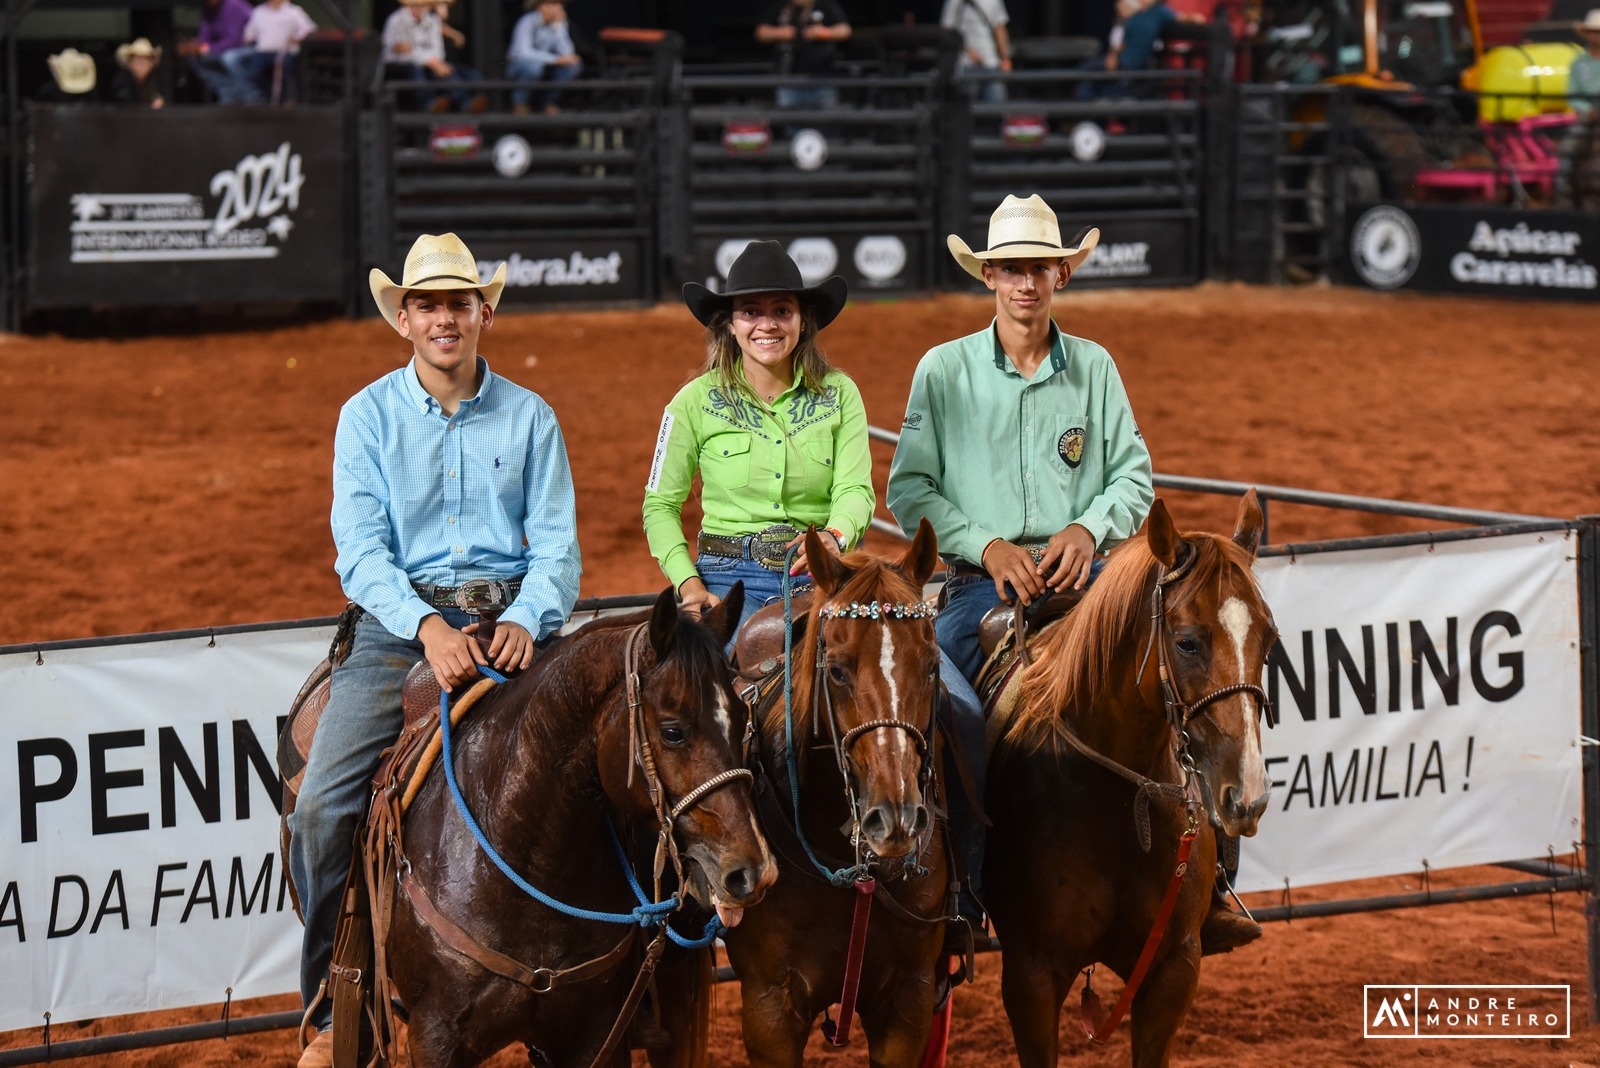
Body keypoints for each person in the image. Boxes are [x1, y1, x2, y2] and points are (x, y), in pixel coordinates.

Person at [288, 232, 581, 1068]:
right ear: (404, 320)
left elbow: (557, 544)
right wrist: (426, 628)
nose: (445, 318)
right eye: (429, 306)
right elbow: (360, 548)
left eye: (459, 303)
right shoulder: (367, 416)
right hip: (397, 632)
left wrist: (527, 616)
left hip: (516, 629)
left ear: (483, 312)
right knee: (323, 808)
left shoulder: (531, 417)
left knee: (605, 775)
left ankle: (619, 974)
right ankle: (330, 1006)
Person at [887, 193, 1154, 942]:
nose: (1024, 284)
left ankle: (1208, 878)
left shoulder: (1095, 368)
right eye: (1010, 270)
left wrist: (1087, 525)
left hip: (1086, 580)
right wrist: (986, 545)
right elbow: (909, 490)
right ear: (989, 279)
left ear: (1061, 274)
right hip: (979, 586)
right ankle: (964, 892)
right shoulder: (943, 371)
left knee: (1172, 674)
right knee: (951, 717)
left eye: (1037, 268)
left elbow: (1134, 478)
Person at [642, 240, 872, 636]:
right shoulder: (691, 402)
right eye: (751, 312)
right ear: (730, 324)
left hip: (820, 574)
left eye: (782, 310)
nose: (767, 325)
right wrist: (689, 584)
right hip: (726, 580)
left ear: (803, 320)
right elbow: (659, 505)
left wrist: (835, 538)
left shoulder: (840, 394)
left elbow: (855, 489)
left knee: (926, 685)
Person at [1075, 0, 1201, 100]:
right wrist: (1113, 55)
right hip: (1121, 58)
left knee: (1091, 72)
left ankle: (1089, 107)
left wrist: (1195, 18)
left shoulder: (1159, 12)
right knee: (1086, 69)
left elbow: (1182, 17)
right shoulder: (1136, 14)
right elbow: (1124, 41)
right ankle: (1085, 106)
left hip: (1133, 63)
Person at [382, 0, 486, 113]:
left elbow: (437, 51)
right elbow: (399, 52)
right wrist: (429, 60)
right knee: (416, 70)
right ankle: (428, 104)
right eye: (415, 5)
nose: (418, 8)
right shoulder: (396, 20)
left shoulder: (432, 21)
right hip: (399, 67)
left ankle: (465, 103)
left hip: (430, 65)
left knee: (450, 71)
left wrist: (428, 59)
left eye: (422, 5)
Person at [756, 0, 852, 109]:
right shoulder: (782, 6)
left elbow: (845, 31)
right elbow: (761, 32)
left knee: (825, 121)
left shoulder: (826, 5)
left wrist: (823, 33)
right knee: (791, 121)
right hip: (788, 79)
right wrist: (780, 33)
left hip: (822, 78)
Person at [226, 0, 318, 103]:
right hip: (263, 51)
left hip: (284, 51)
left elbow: (309, 28)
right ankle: (267, 96)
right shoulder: (259, 12)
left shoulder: (293, 11)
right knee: (252, 74)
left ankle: (288, 99)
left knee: (286, 70)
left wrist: (297, 37)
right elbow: (249, 34)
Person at [506, 0, 582, 114]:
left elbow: (567, 53)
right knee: (533, 67)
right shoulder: (527, 21)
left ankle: (548, 102)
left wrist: (560, 28)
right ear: (542, 6)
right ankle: (520, 103)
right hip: (519, 66)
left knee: (573, 66)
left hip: (545, 68)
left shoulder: (558, 24)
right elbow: (523, 53)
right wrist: (555, 60)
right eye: (554, 4)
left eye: (560, 5)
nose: (559, 8)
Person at [180, 0, 256, 103]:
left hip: (254, 46)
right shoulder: (209, 9)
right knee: (195, 58)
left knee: (229, 58)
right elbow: (204, 37)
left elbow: (235, 40)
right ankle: (228, 92)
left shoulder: (233, 5)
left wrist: (208, 48)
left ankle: (252, 95)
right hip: (229, 48)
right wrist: (194, 47)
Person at [940, 0, 1011, 103]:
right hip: (965, 65)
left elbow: (999, 28)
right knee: (967, 110)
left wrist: (1005, 58)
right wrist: (968, 51)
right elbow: (948, 31)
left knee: (996, 109)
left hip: (991, 64)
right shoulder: (954, 2)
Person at [107, 37, 166, 108]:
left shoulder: (156, 82)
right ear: (129, 64)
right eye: (137, 61)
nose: (141, 66)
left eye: (145, 61)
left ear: (151, 65)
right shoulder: (121, 82)